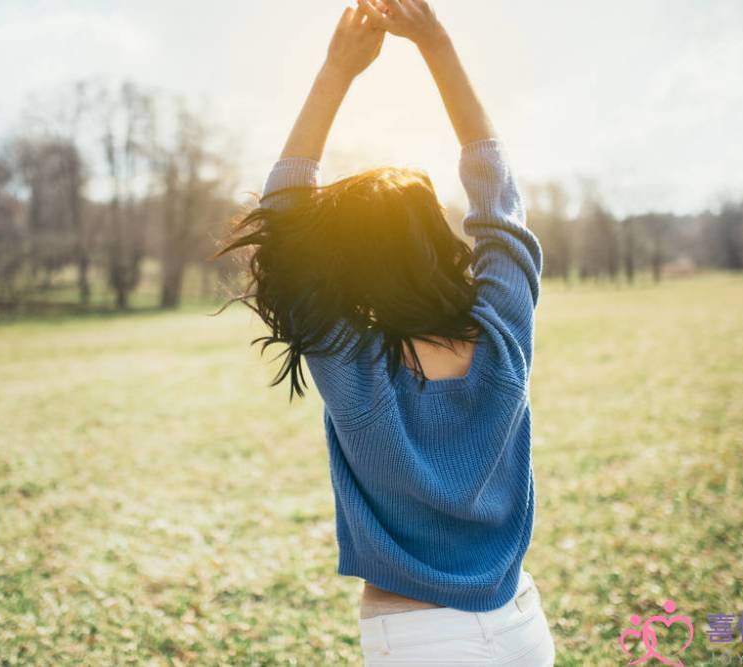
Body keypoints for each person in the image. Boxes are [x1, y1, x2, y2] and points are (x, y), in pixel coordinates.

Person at [218, 1, 555, 664]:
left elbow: (283, 212)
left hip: (419, 640)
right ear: (438, 238)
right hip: (520, 624)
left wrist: (335, 72)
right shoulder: (504, 333)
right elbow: (498, 192)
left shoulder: (353, 364)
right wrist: (438, 46)